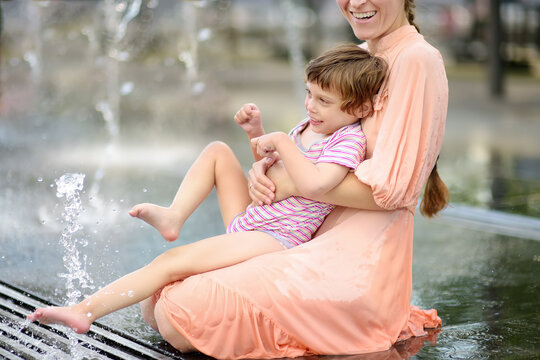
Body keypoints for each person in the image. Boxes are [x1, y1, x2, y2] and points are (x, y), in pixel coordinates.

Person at [119, 0, 448, 358]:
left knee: (176, 312)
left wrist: (288, 182)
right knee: (156, 303)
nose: (355, 3)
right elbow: (311, 152)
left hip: (355, 265)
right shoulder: (357, 57)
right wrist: (264, 171)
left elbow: (396, 192)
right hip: (304, 237)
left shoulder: (417, 60)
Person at [26, 44, 387, 337]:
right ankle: (174, 215)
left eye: (323, 101)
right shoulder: (310, 124)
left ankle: (84, 311)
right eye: (309, 94)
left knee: (172, 262)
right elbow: (273, 165)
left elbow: (317, 184)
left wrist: (278, 141)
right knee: (217, 151)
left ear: (357, 108)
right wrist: (256, 136)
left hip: (276, 237)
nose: (310, 106)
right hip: (255, 217)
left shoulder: (347, 139)